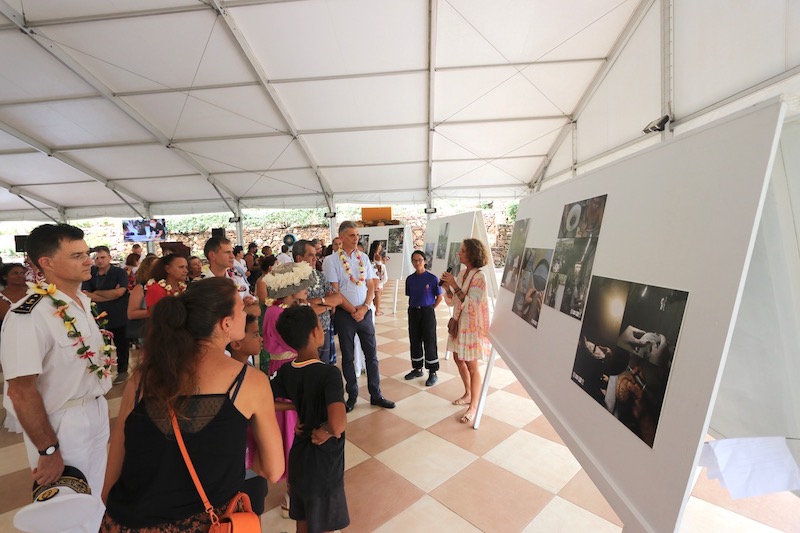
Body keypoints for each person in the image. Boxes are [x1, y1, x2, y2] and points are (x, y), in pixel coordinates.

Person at [101, 277, 285, 530]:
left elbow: (109, 482)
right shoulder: (248, 381)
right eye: (242, 308)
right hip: (206, 524)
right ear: (226, 324)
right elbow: (273, 470)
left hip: (127, 522)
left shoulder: (143, 378)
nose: (247, 311)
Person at [1, 223, 114, 532]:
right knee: (63, 511)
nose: (88, 260)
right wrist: (47, 450)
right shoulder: (28, 315)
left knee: (92, 503)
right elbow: (21, 392)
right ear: (46, 263)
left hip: (94, 408)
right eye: (77, 255)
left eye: (86, 253)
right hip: (59, 422)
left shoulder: (82, 303)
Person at [272, 305, 349, 533]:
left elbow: (263, 399)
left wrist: (294, 405)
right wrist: (325, 430)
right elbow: (337, 424)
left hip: (298, 460)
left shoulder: (286, 371)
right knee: (324, 524)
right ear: (316, 331)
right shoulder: (329, 373)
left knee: (303, 523)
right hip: (323, 464)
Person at [261, 261, 321, 517]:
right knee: (289, 426)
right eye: (302, 286)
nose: (306, 290)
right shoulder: (277, 313)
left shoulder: (288, 309)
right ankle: (291, 490)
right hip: (286, 369)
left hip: (296, 366)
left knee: (300, 421)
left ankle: (298, 483)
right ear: (289, 288)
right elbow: (291, 343)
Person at [322, 220, 395, 412]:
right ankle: (352, 395)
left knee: (371, 355)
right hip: (346, 315)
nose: (356, 239)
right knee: (348, 356)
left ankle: (376, 394)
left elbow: (371, 285)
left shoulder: (363, 257)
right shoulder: (331, 261)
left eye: (357, 235)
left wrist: (364, 307)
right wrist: (353, 310)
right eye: (352, 235)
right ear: (341, 237)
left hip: (365, 312)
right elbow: (335, 291)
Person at [440, 238, 492, 425]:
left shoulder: (480, 277)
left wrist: (453, 284)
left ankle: (474, 405)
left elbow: (471, 305)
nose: (459, 253)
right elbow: (454, 301)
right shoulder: (462, 273)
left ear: (472, 254)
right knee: (457, 358)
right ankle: (468, 393)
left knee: (472, 365)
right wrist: (447, 289)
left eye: (462, 250)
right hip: (458, 322)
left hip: (471, 326)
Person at [82, 245, 131, 385]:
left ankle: (122, 371)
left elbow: (120, 293)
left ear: (110, 257)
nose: (100, 261)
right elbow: (86, 294)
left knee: (122, 345)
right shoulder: (90, 273)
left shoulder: (119, 273)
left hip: (119, 315)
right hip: (99, 317)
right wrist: (110, 294)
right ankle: (104, 372)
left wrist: (96, 292)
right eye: (96, 258)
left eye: (103, 257)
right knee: (102, 347)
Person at [293, 240, 343, 365]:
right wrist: (327, 305)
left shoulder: (319, 276)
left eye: (315, 255)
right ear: (299, 258)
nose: (315, 259)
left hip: (323, 330)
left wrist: (319, 301)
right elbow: (301, 309)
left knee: (323, 368)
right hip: (303, 335)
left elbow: (338, 299)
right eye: (311, 255)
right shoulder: (291, 280)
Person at [404, 251, 443, 386]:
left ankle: (432, 372)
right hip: (413, 312)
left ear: (425, 261)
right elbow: (410, 295)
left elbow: (439, 297)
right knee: (414, 339)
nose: (417, 263)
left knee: (430, 340)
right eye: (414, 260)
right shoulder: (410, 279)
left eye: (419, 260)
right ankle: (417, 368)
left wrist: (431, 308)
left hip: (427, 312)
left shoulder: (432, 278)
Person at [203, 236, 260, 315]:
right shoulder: (201, 283)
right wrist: (241, 306)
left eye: (232, 252)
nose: (232, 256)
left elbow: (255, 307)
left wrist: (249, 302)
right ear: (212, 255)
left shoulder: (237, 275)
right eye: (227, 252)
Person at [127, 255, 158, 350]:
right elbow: (131, 314)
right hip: (147, 333)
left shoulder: (164, 285)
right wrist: (155, 311)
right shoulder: (140, 288)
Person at [368, 241, 389, 316]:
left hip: (375, 275)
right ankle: (377, 310)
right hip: (378, 276)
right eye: (380, 246)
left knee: (376, 293)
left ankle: (375, 309)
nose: (381, 247)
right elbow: (379, 267)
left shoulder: (371, 256)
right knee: (378, 293)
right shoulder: (377, 256)